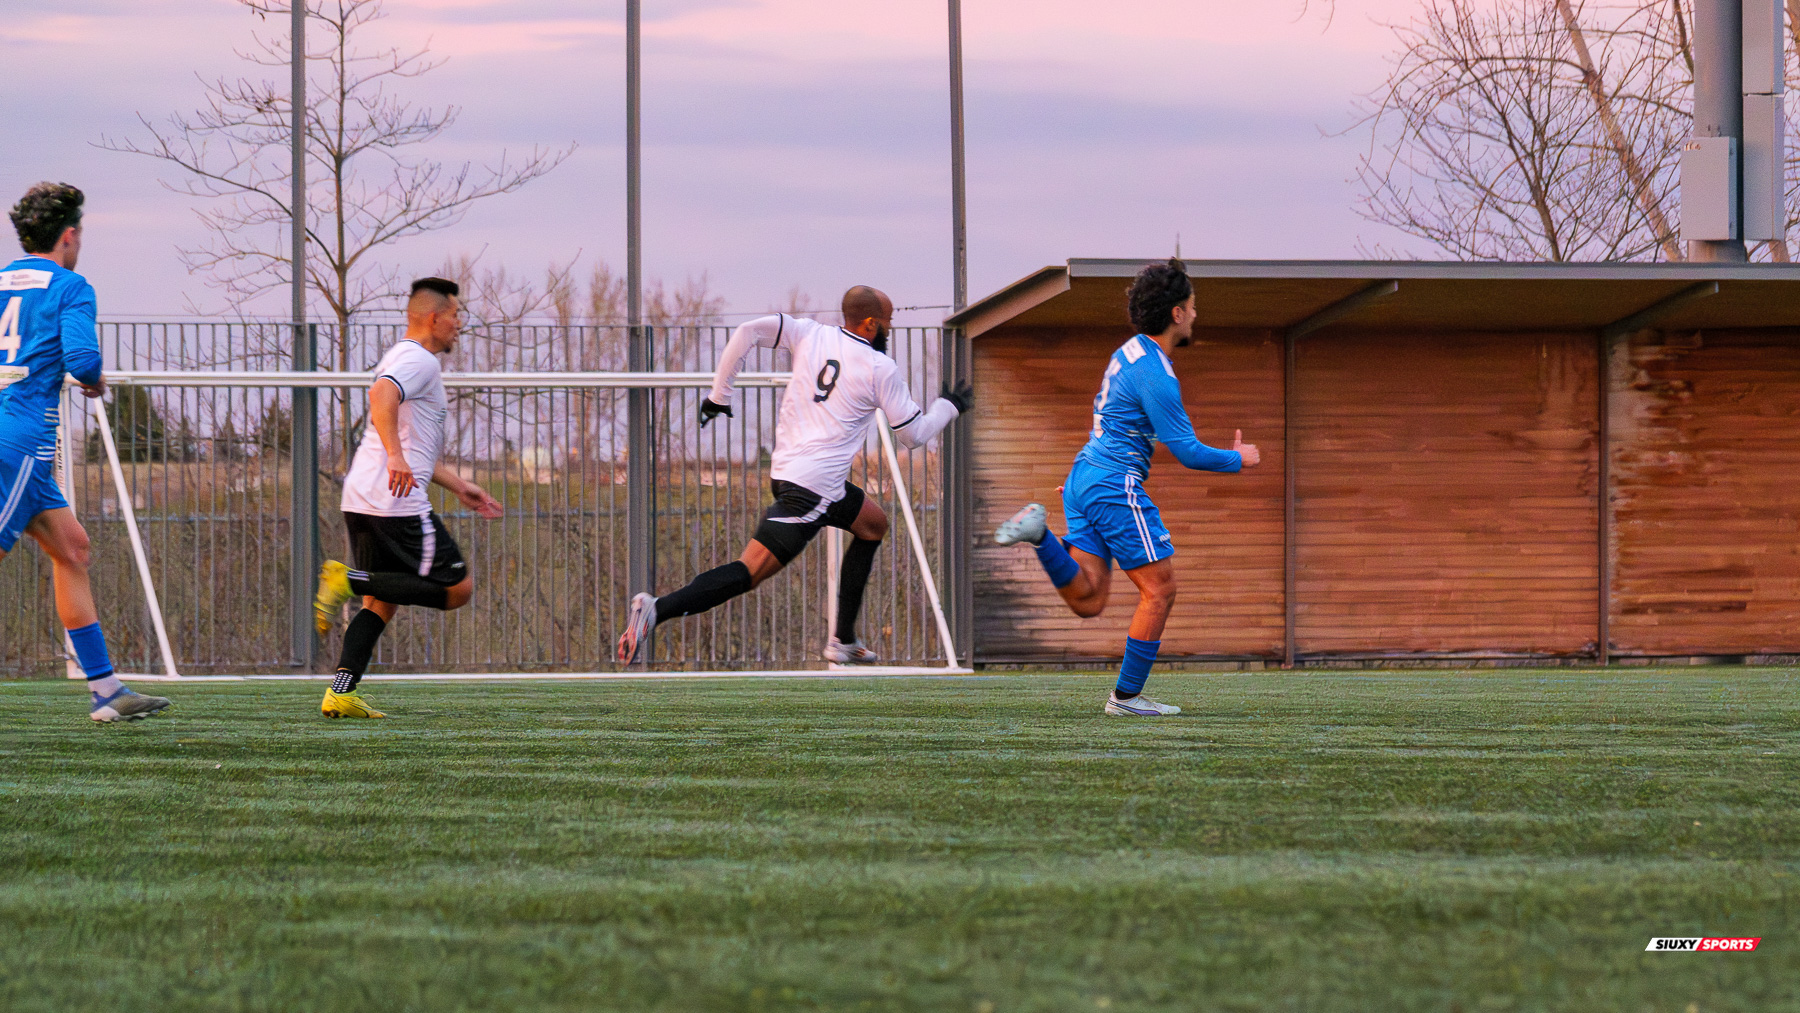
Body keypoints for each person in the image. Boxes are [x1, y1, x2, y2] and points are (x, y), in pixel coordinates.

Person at [616, 285, 970, 665]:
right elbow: (913, 436)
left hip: (791, 473)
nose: (890, 330)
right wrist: (947, 407)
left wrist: (719, 396)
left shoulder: (810, 333)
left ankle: (844, 640)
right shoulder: (879, 367)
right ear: (870, 324)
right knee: (747, 572)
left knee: (873, 524)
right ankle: (656, 609)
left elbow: (747, 331)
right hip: (812, 490)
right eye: (888, 323)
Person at [994, 258, 1261, 716]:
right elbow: (1188, 452)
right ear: (1176, 313)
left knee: (1089, 599)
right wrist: (1239, 458)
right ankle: (1127, 699)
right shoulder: (1156, 373)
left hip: (1087, 476)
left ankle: (1040, 536)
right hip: (1111, 484)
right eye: (1193, 306)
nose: (1196, 315)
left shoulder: (1129, 352)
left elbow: (1120, 425)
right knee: (1160, 588)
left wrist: (1094, 481)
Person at [0, 183, 171, 722]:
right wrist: (94, 381)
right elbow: (82, 357)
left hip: (20, 447)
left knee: (72, 549)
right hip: (18, 442)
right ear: (69, 235)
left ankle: (106, 690)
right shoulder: (71, 286)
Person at [312, 277, 503, 717]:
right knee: (457, 588)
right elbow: (382, 394)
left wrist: (460, 486)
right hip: (395, 500)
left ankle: (340, 691)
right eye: (456, 315)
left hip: (362, 497)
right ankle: (346, 580)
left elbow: (408, 441)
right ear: (435, 318)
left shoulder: (406, 357)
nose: (460, 324)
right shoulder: (420, 361)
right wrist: (397, 458)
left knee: (382, 601)